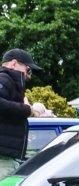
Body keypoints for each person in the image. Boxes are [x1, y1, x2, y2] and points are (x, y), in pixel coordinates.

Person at [0, 48, 42, 176]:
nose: (29, 76)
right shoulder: (5, 78)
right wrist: (28, 110)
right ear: (13, 63)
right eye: (28, 70)